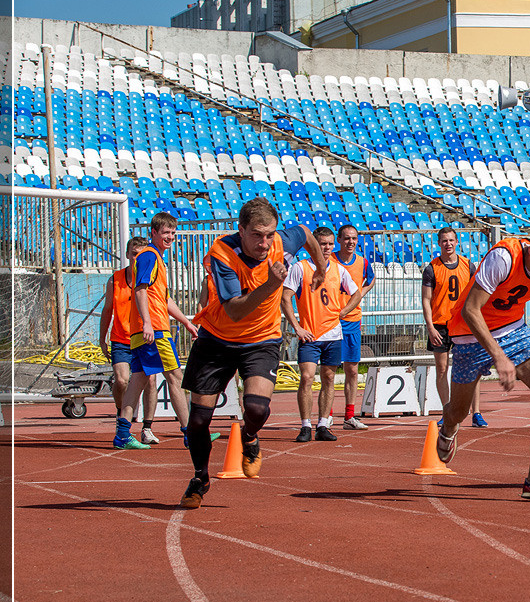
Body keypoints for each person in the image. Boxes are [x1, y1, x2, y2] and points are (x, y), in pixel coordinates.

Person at [178, 198, 325, 509]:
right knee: (199, 420)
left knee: (257, 409)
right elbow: (234, 310)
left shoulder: (281, 241)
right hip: (217, 337)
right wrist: (272, 284)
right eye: (257, 235)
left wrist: (321, 268)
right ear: (241, 230)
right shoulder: (222, 254)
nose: (265, 242)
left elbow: (306, 234)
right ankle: (200, 477)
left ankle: (249, 436)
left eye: (270, 235)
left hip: (261, 339)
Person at [436, 225, 530, 501]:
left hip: (513, 329)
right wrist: (499, 357)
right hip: (469, 334)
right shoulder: (504, 258)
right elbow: (471, 310)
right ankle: (448, 429)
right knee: (458, 411)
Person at [112, 211, 204, 450]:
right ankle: (190, 433)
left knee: (137, 381)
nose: (170, 237)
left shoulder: (156, 259)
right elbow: (140, 290)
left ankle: (122, 434)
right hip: (154, 330)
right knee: (175, 377)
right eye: (165, 232)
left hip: (148, 328)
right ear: (153, 233)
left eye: (173, 233)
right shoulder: (149, 256)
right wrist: (148, 323)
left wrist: (186, 322)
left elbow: (163, 298)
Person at [282, 226, 363, 443]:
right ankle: (305, 425)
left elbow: (356, 293)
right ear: (312, 246)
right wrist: (296, 326)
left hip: (333, 334)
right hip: (309, 334)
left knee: (329, 378)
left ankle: (323, 423)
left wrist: (344, 311)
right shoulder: (300, 268)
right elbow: (285, 296)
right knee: (307, 377)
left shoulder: (339, 270)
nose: (326, 248)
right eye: (322, 244)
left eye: (329, 244)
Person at [422, 226, 486, 427]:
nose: (448, 244)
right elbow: (425, 299)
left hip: (464, 324)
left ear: (456, 242)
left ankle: (476, 412)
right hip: (440, 325)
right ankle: (447, 410)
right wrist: (430, 327)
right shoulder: (431, 268)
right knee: (442, 368)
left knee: (472, 368)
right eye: (444, 241)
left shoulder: (468, 265)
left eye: (451, 240)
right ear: (439, 243)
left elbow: (478, 293)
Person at [98, 236, 157, 442]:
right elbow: (107, 310)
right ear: (127, 255)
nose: (137, 257)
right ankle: (121, 414)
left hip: (144, 337)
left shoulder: (151, 277)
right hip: (121, 338)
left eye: (141, 253)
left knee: (150, 380)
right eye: (133, 253)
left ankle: (147, 428)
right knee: (122, 380)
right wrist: (102, 338)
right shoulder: (115, 279)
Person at [334, 224, 374, 430]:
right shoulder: (329, 260)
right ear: (338, 240)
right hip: (330, 320)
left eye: (354, 238)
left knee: (351, 368)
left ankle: (350, 415)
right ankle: (327, 415)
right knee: (328, 369)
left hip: (352, 320)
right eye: (347, 238)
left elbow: (371, 279)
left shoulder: (362, 262)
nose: (351, 242)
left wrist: (359, 295)